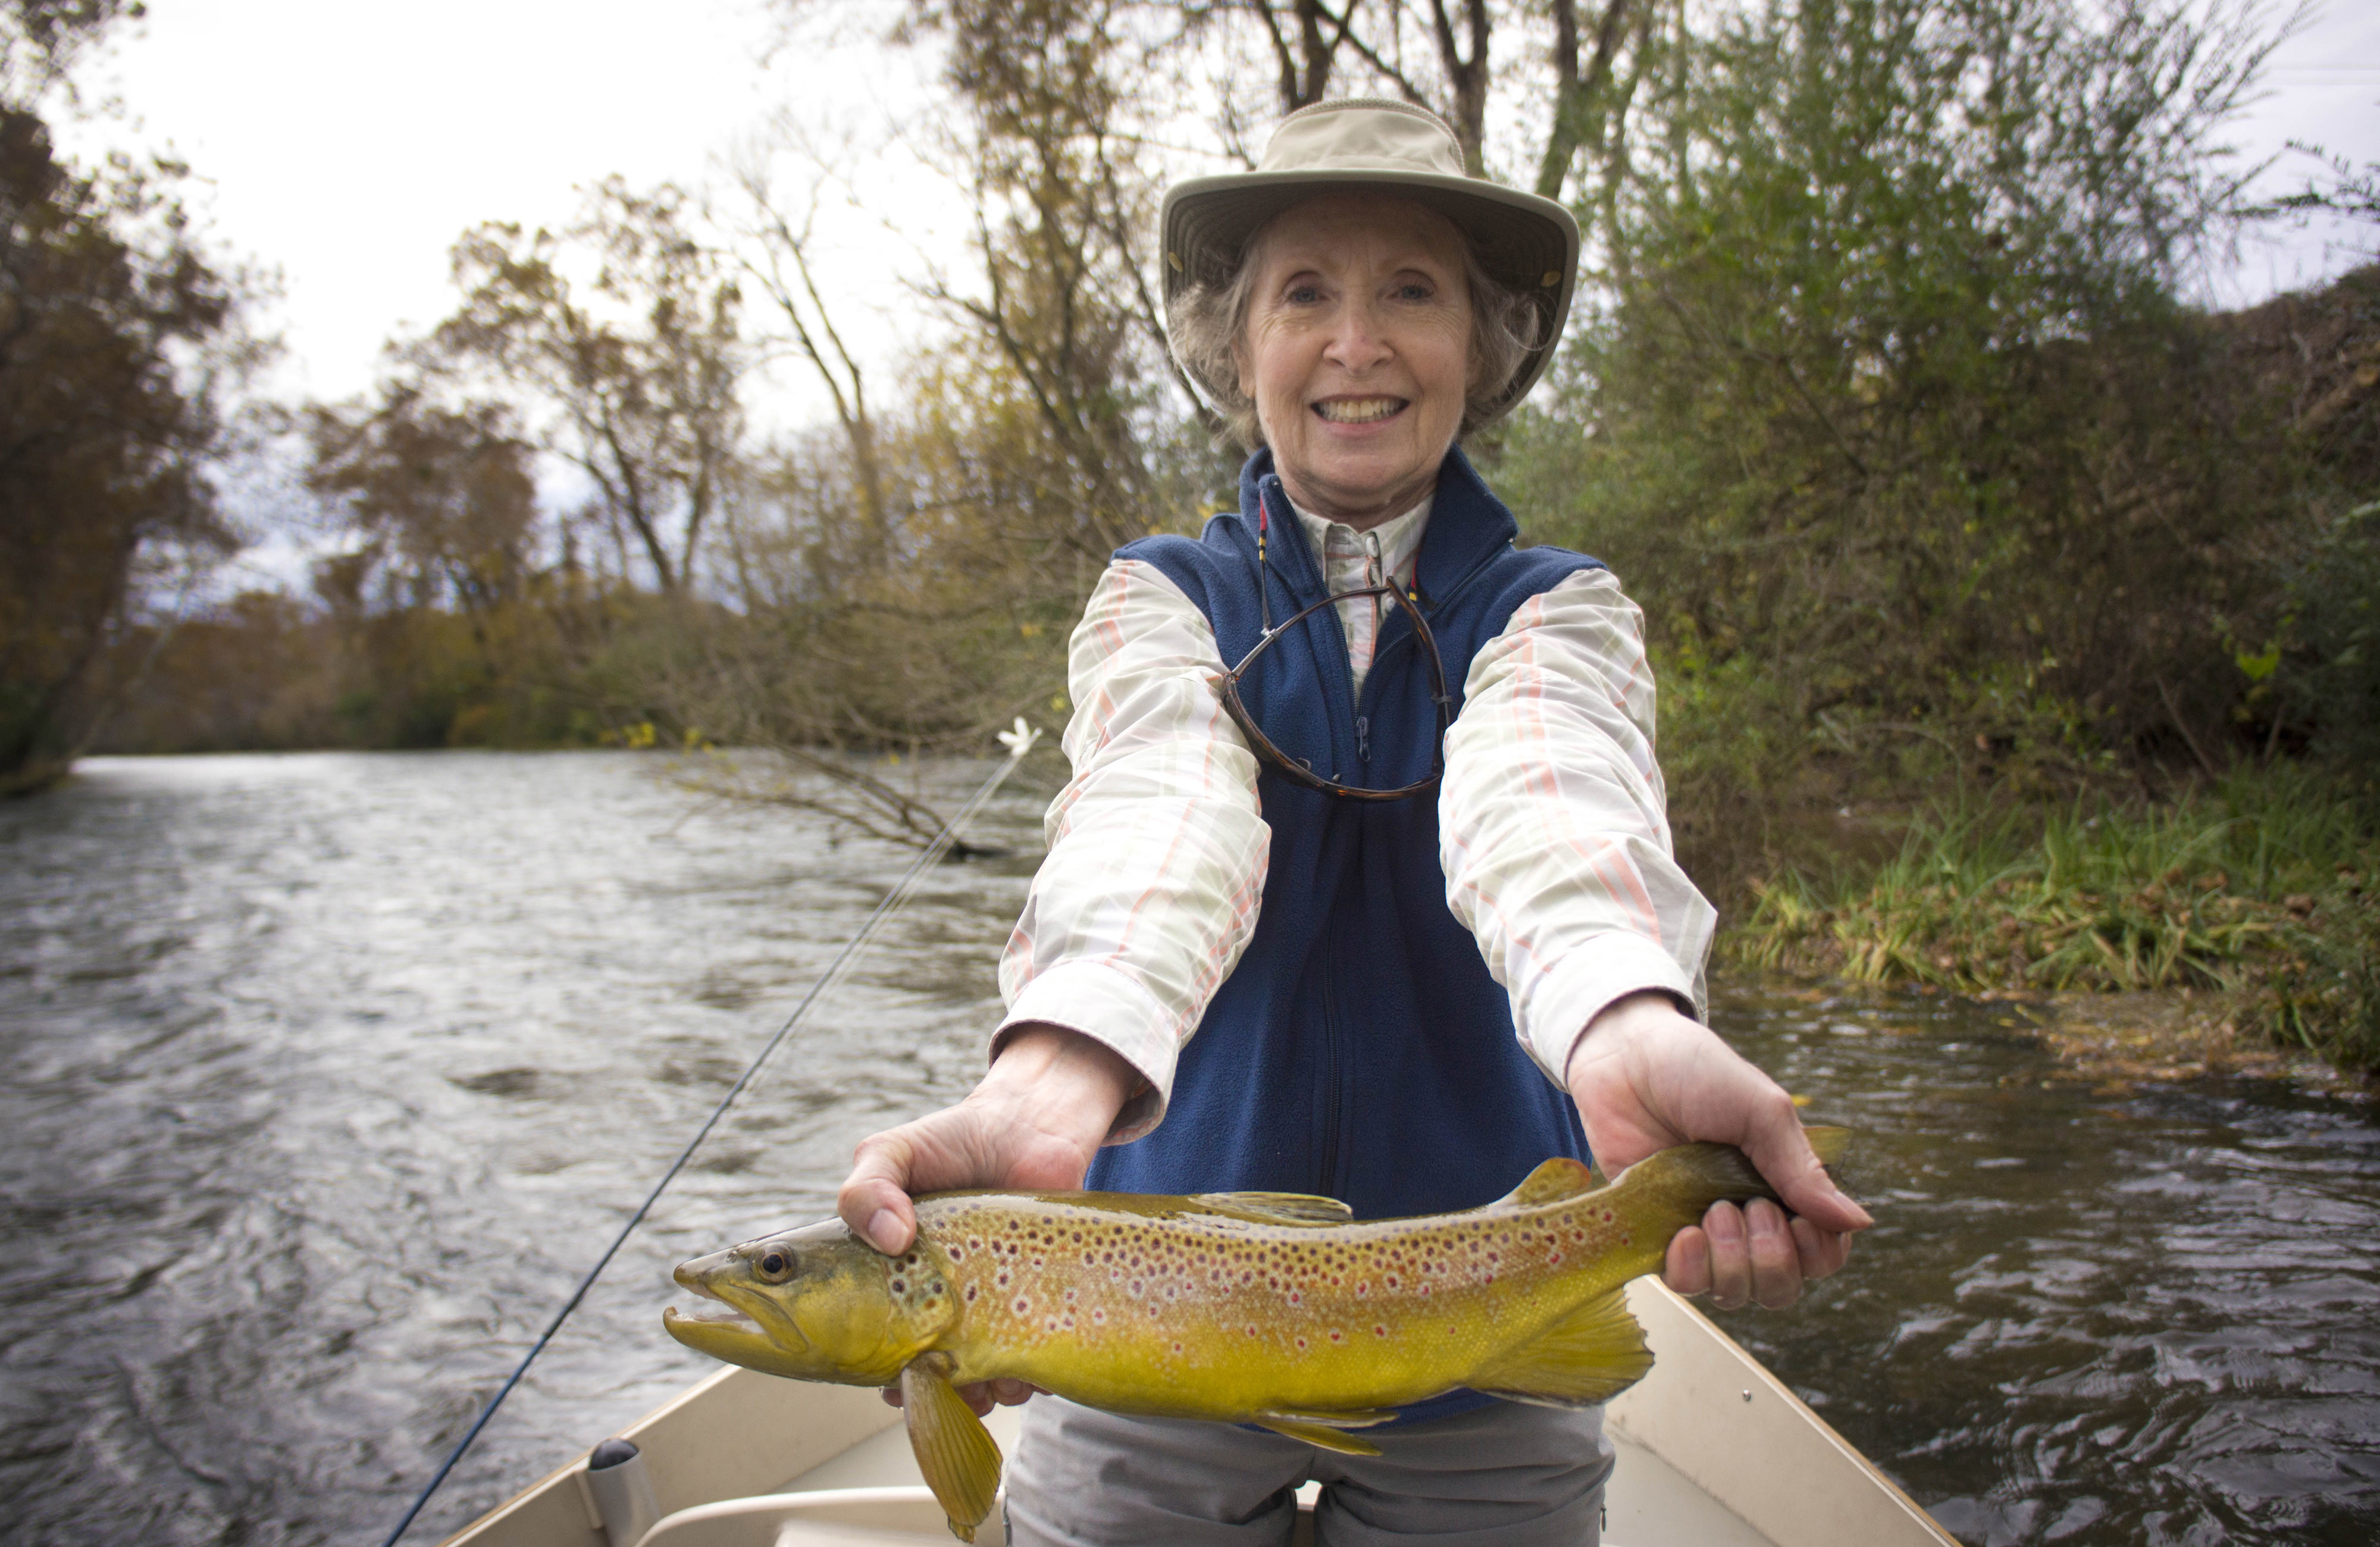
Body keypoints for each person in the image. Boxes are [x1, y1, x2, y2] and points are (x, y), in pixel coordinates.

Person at [836, 98, 1871, 1545]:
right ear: (1236, 343)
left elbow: (1548, 810)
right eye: (1303, 292)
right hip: (1140, 1339)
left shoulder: (1557, 610)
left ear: (1481, 342)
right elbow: (1160, 828)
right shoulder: (1159, 601)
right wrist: (1043, 1091)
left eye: (1409, 290)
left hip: (1489, 1345)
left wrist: (1627, 1025)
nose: (1355, 342)